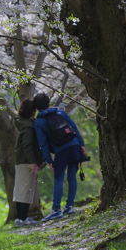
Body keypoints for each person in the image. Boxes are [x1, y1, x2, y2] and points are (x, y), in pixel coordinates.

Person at [34, 92, 87, 221]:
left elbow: (43, 144)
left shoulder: (39, 122)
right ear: (48, 103)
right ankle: (69, 207)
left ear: (36, 108)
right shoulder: (60, 112)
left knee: (58, 178)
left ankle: (56, 210)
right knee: (72, 176)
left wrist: (49, 160)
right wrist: (81, 144)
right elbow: (73, 128)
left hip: (60, 150)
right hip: (74, 146)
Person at [13, 97, 45, 227]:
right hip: (26, 162)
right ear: (32, 111)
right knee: (24, 190)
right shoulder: (27, 127)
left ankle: (23, 218)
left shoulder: (26, 122)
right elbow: (27, 146)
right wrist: (32, 162)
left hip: (24, 161)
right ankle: (21, 219)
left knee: (25, 189)